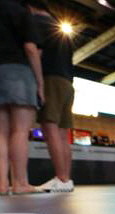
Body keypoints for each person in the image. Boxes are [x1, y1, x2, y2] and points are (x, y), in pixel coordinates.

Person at [26, 0, 75, 193]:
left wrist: (37, 81)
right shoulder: (59, 29)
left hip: (51, 78)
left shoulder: (36, 23)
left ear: (30, 7)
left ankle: (61, 178)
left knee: (49, 126)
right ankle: (66, 179)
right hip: (67, 82)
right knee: (63, 133)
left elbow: (36, 52)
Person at [0, 0, 44, 195]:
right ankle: (20, 183)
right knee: (20, 130)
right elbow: (31, 49)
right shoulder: (20, 11)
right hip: (18, 71)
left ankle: (1, 184)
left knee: (0, 133)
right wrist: (40, 83)